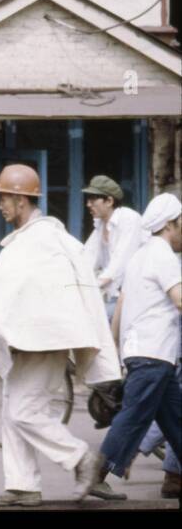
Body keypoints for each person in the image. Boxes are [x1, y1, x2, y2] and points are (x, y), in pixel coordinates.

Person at [0, 164, 120, 506]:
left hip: (44, 344)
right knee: (10, 409)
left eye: (3, 199)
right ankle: (22, 484)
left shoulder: (41, 240)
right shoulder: (33, 240)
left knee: (23, 412)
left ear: (20, 200)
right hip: (30, 343)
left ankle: (80, 457)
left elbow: (49, 296)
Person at [85, 193, 182, 499]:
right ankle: (96, 475)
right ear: (170, 225)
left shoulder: (140, 256)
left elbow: (123, 303)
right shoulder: (163, 255)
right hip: (154, 353)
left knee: (177, 420)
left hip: (149, 354)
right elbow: (180, 299)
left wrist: (115, 346)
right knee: (134, 414)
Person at [80, 175, 145, 321]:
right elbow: (86, 259)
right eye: (88, 199)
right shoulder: (100, 224)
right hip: (115, 296)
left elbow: (119, 263)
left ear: (109, 201)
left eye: (93, 199)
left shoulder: (129, 219)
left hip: (137, 296)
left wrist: (92, 285)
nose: (88, 204)